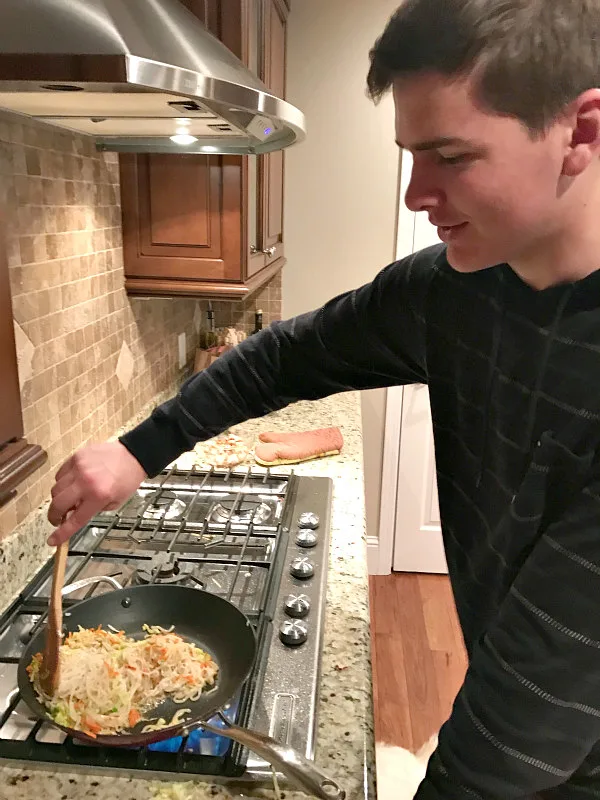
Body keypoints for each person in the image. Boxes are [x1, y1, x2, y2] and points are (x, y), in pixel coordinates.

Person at [47, 0, 600, 796]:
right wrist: (136, 451)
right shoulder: (455, 293)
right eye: (412, 154)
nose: (418, 193)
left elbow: (531, 708)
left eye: (451, 155)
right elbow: (286, 358)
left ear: (580, 133)